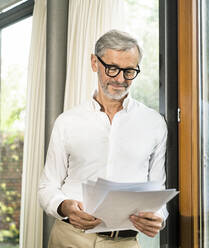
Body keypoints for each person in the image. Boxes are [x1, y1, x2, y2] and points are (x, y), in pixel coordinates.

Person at [38, 29, 168, 248]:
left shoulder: (154, 123)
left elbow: (157, 191)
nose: (120, 79)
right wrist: (63, 206)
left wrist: (158, 218)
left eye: (129, 71)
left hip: (125, 242)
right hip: (70, 238)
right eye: (112, 68)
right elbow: (47, 187)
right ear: (94, 63)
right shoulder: (67, 122)